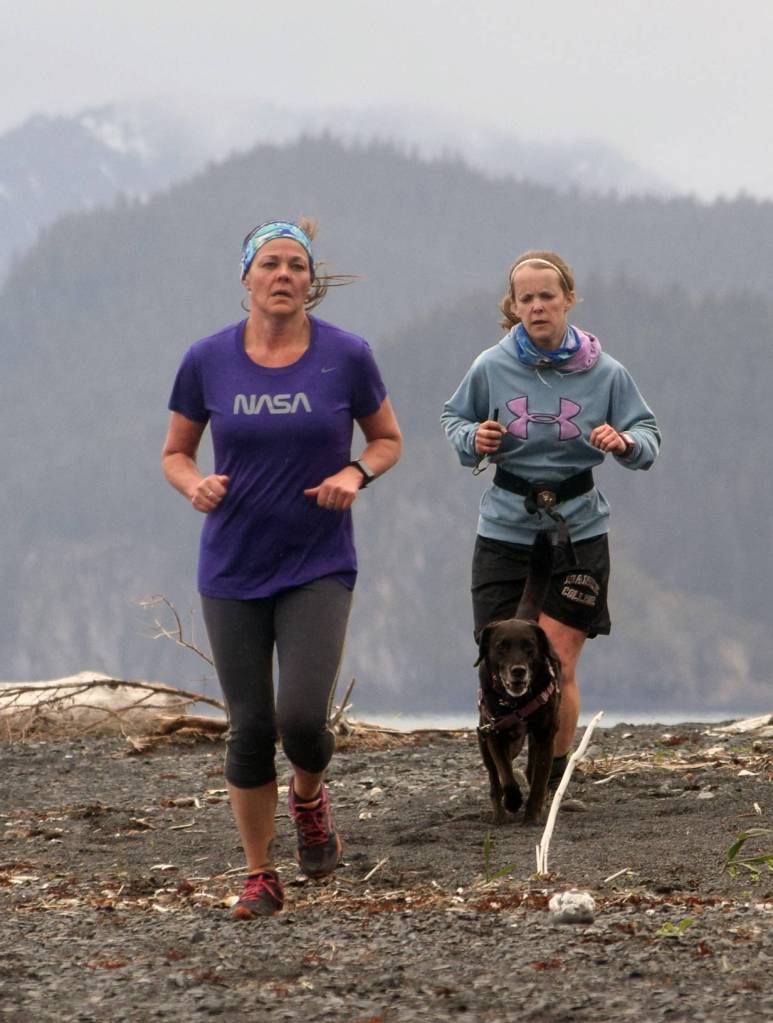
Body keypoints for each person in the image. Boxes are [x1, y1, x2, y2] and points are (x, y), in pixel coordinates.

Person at [162, 219, 402, 918]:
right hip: (232, 566)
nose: (284, 275)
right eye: (270, 263)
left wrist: (356, 472)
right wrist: (192, 484)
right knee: (248, 726)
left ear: (310, 281)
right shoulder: (207, 359)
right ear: (246, 278)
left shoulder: (347, 356)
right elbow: (176, 451)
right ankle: (260, 873)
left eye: (296, 265)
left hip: (317, 562)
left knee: (300, 719)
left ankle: (308, 798)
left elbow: (386, 439)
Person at [441, 250, 660, 791]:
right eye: (526, 298)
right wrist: (475, 439)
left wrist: (625, 441)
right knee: (500, 654)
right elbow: (455, 419)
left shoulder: (606, 372)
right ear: (513, 307)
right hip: (504, 529)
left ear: (568, 300)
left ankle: (552, 781)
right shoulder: (490, 366)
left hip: (578, 529)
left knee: (556, 660)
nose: (537, 306)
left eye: (547, 296)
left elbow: (649, 438)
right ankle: (503, 771)